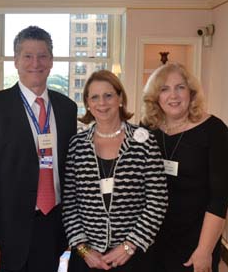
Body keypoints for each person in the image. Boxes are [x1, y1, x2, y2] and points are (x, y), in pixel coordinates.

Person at [0, 26, 78, 272]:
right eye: (27, 56)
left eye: (42, 56)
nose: (35, 63)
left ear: (51, 61)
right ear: (16, 61)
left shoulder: (66, 108)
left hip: (51, 228)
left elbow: (70, 171)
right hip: (5, 233)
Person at [63, 70, 168, 272]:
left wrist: (129, 246)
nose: (102, 102)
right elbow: (70, 203)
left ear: (120, 98)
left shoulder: (143, 141)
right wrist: (84, 250)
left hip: (134, 256)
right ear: (88, 103)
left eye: (108, 95)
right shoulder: (77, 145)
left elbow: (158, 200)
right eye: (95, 97)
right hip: (88, 258)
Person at [141, 63, 228, 272]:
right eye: (164, 89)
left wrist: (204, 250)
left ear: (191, 92)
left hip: (195, 239)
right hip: (151, 240)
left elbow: (220, 198)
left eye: (180, 87)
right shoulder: (147, 130)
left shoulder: (214, 131)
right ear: (156, 97)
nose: (173, 95)